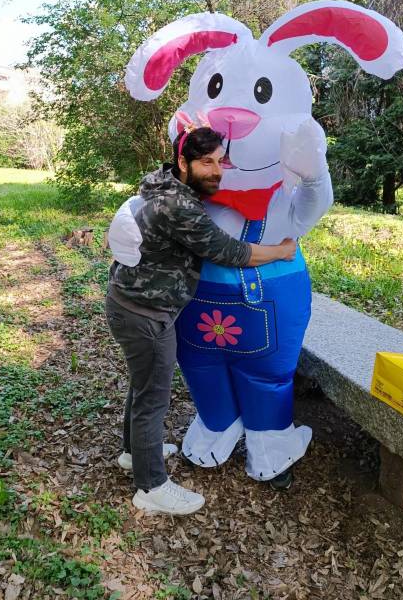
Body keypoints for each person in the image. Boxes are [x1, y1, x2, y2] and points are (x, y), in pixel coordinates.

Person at [106, 126, 298, 515]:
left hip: (130, 304)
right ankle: (151, 487)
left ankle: (133, 453)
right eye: (205, 162)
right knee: (153, 399)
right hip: (147, 316)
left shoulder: (160, 184)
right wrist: (280, 251)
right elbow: (230, 252)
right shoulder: (179, 208)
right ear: (182, 161)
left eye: (219, 161)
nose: (216, 171)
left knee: (141, 388)